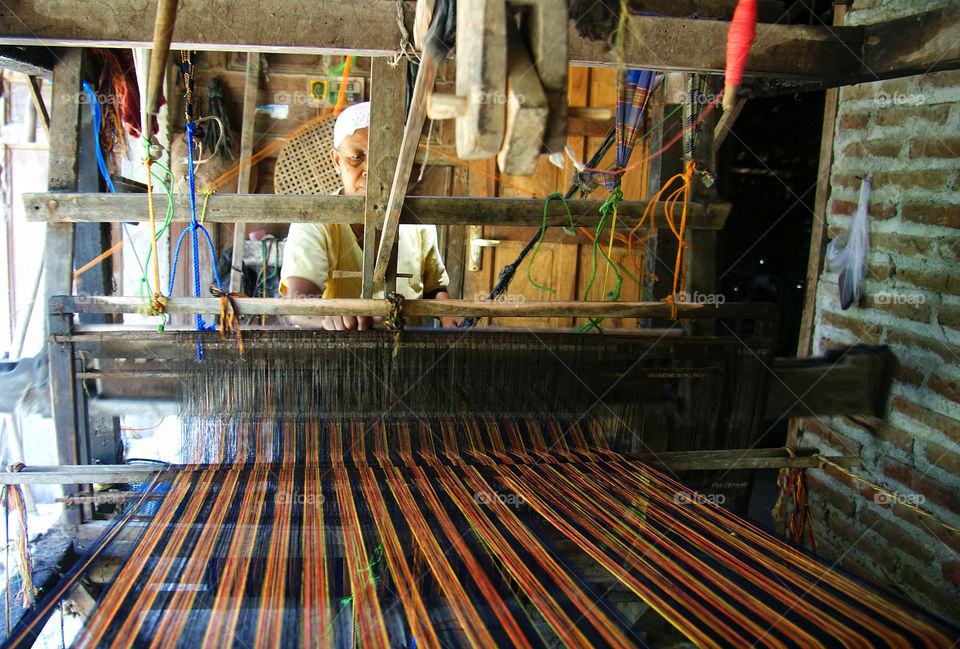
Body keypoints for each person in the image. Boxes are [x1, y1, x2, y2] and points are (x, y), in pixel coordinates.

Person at [280, 102, 460, 329]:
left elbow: (434, 287)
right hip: (341, 347)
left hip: (407, 347)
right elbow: (299, 305)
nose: (371, 170)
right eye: (357, 157)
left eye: (385, 158)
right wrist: (329, 318)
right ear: (337, 161)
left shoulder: (417, 221)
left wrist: (448, 313)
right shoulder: (316, 221)